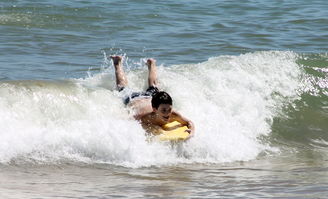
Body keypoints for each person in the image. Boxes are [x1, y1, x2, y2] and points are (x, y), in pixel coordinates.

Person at [110, 55, 195, 138]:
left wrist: (192, 130)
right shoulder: (145, 115)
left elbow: (189, 122)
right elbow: (127, 120)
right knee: (122, 87)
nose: (167, 113)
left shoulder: (174, 115)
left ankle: (152, 63)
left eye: (169, 109)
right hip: (134, 98)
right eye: (164, 110)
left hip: (150, 96)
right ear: (154, 109)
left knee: (154, 86)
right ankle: (117, 63)